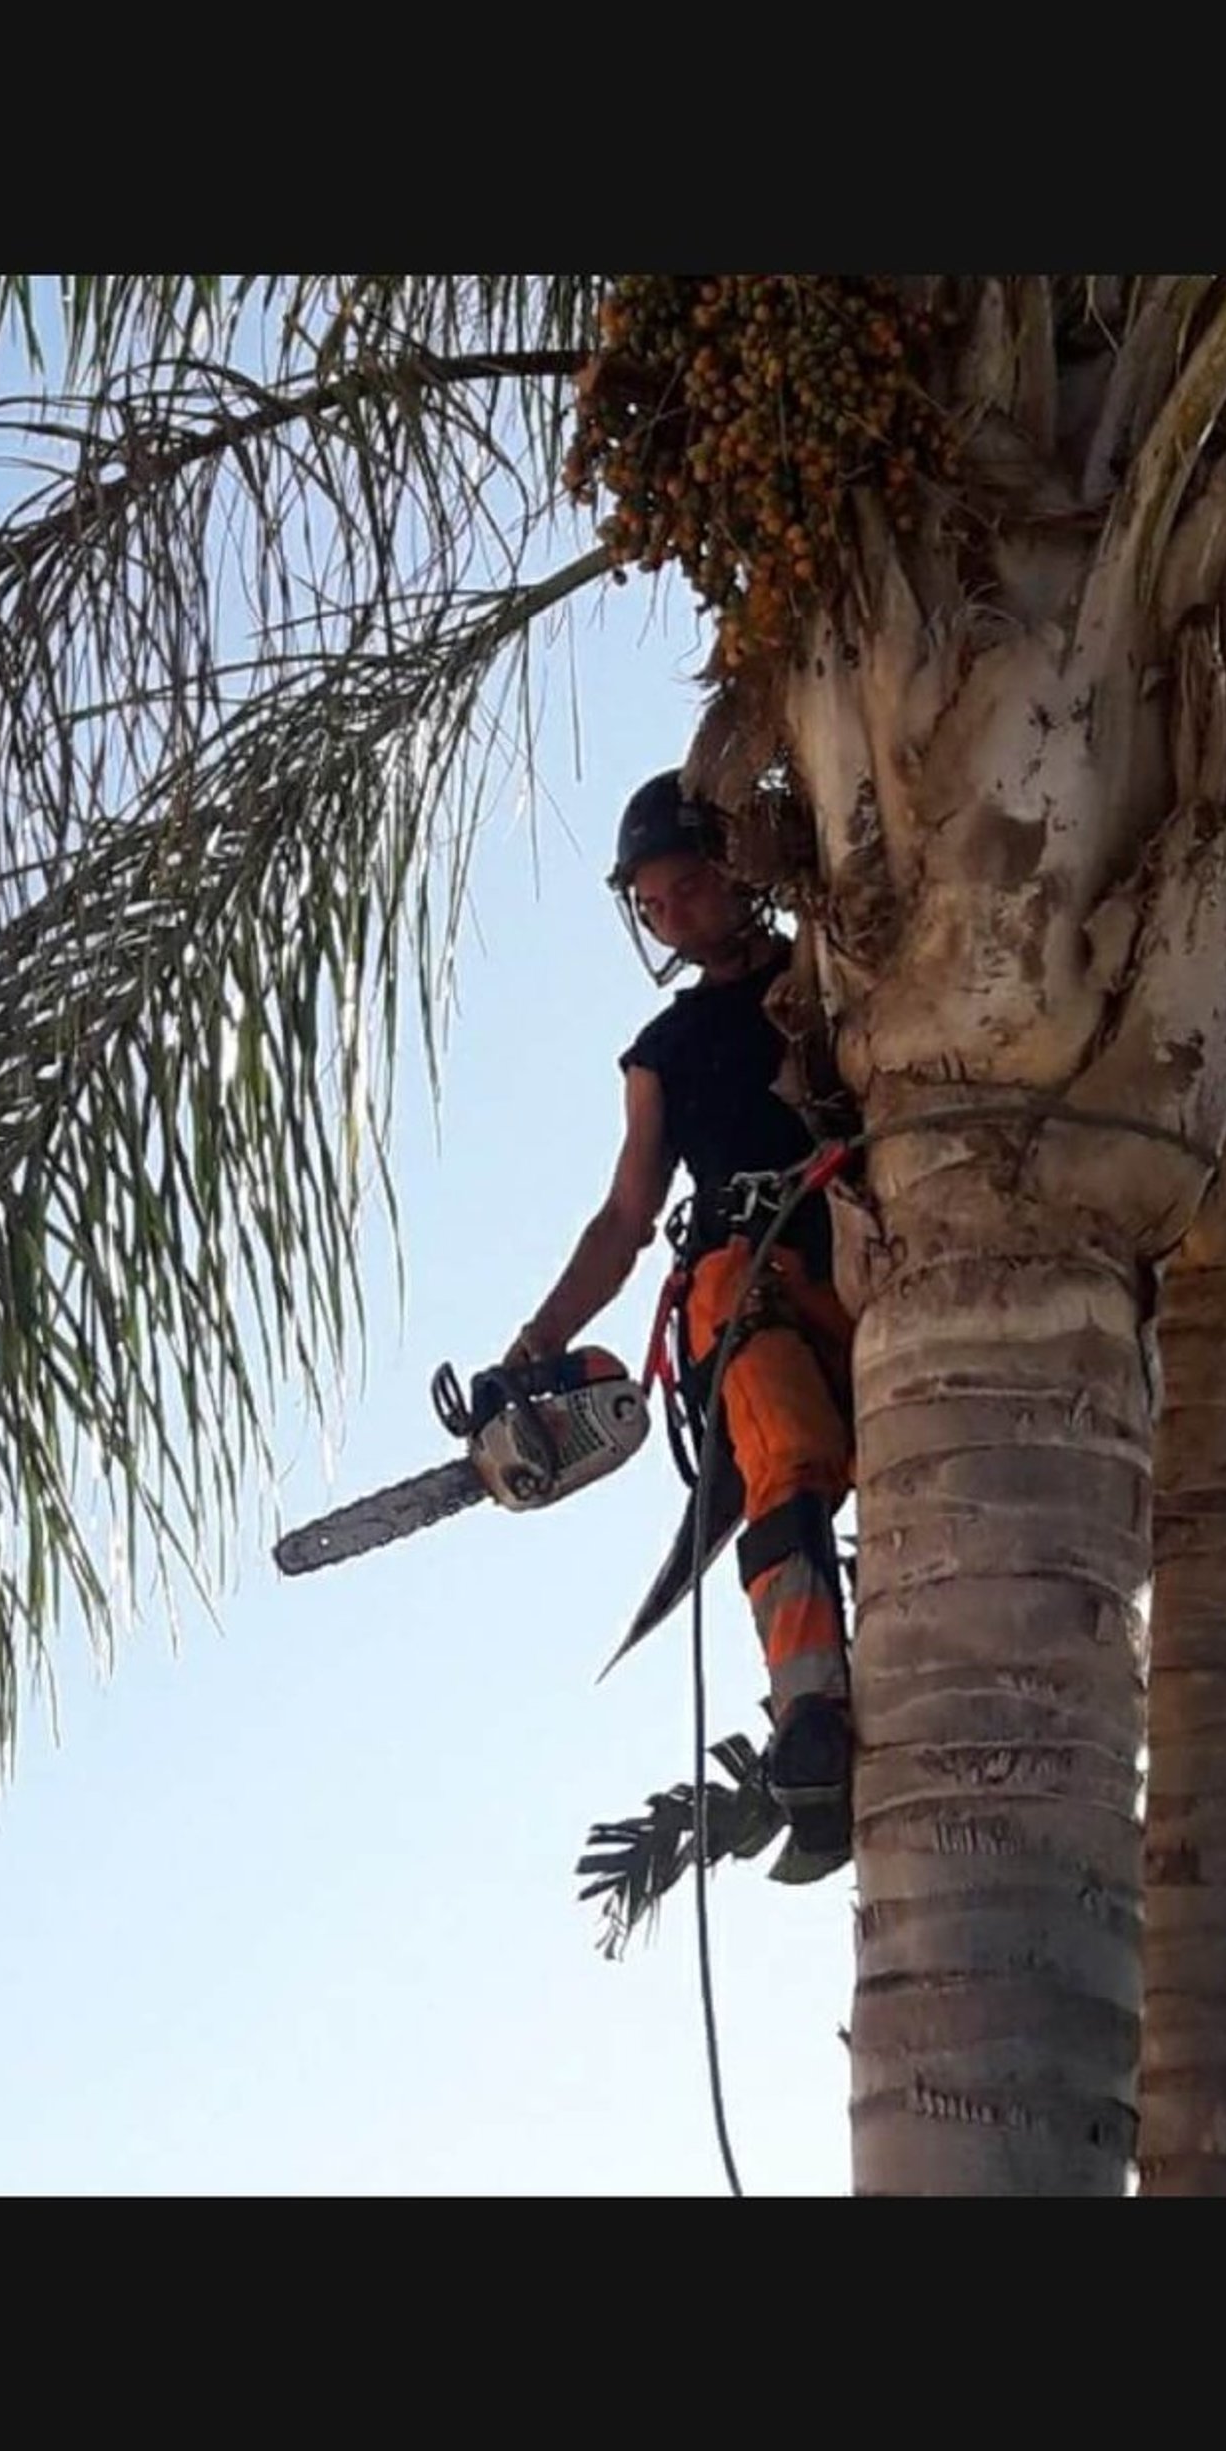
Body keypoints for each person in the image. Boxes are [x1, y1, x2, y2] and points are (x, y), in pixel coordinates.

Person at [503, 772, 858, 1866]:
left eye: (691, 887)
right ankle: (811, 1714)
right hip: (746, 1284)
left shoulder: (841, 968)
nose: (675, 916)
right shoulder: (663, 1052)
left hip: (868, 1253)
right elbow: (624, 1219)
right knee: (786, 1459)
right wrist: (532, 1350)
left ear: (741, 869)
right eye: (653, 904)